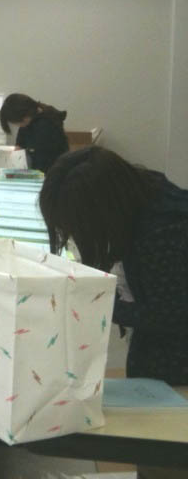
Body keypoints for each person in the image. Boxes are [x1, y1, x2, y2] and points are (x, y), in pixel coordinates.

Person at [39, 146, 188, 385]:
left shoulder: (163, 234)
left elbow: (168, 316)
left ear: (100, 211)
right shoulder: (142, 190)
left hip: (175, 364)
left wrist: (97, 301)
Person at [0, 93, 69, 173]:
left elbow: (43, 162)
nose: (17, 126)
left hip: (53, 172)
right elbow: (20, 144)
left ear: (24, 118)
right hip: (41, 170)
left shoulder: (45, 126)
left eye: (16, 123)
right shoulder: (29, 121)